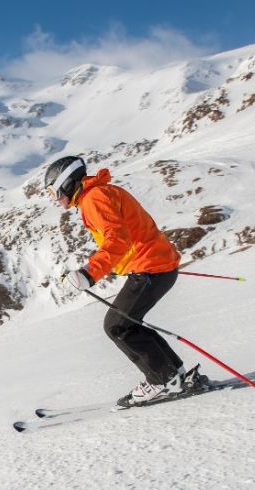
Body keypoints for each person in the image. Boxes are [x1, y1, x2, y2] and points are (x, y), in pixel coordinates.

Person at [44, 155, 191, 405]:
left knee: (117, 326)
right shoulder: (100, 193)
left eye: (53, 192)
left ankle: (162, 379)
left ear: (67, 183)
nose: (54, 199)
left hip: (150, 269)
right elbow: (127, 235)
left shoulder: (94, 198)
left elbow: (117, 239)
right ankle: (171, 375)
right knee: (127, 324)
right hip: (155, 266)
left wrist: (90, 273)